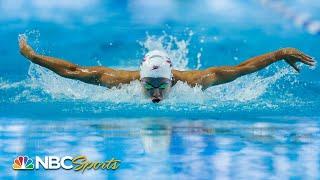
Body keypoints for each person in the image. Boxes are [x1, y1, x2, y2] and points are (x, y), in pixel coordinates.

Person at [19, 36, 316, 103]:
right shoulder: (118, 82)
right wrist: (33, 57)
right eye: (150, 86)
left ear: (173, 78)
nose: (156, 94)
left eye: (162, 86)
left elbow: (243, 68)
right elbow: (74, 70)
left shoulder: (196, 82)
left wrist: (280, 53)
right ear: (140, 78)